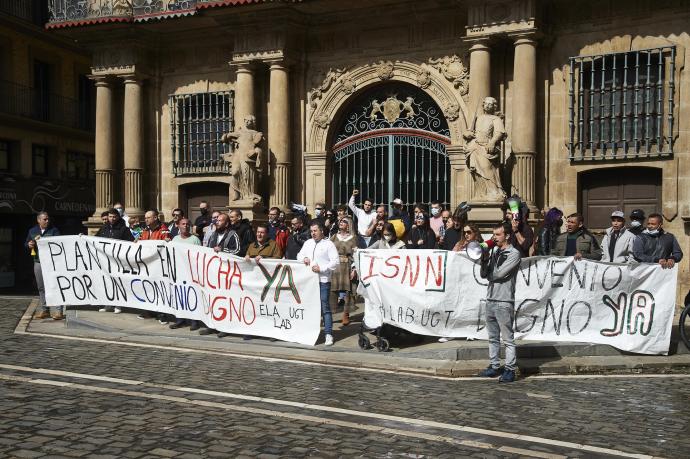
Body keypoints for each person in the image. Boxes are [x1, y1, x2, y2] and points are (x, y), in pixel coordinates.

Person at [478, 222, 521, 383]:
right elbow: (484, 275)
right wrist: (484, 259)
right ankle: (494, 366)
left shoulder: (514, 254)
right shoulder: (495, 251)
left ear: (507, 236)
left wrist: (489, 271)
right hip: (490, 299)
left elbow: (499, 274)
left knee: (508, 339)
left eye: (497, 235)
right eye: (493, 234)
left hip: (504, 300)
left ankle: (510, 369)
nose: (494, 238)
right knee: (493, 337)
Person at [297, 222, 339, 346]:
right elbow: (299, 255)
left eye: (315, 231)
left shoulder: (329, 244)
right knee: (310, 306)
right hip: (309, 281)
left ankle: (328, 334)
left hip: (323, 280)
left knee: (325, 306)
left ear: (321, 231)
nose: (313, 233)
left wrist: (321, 268)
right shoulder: (308, 243)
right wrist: (303, 259)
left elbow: (335, 262)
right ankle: (310, 332)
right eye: (311, 231)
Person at [96, 208, 134, 314]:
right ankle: (107, 304)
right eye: (110, 216)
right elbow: (95, 240)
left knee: (118, 282)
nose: (112, 219)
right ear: (107, 217)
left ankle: (118, 305)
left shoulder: (124, 229)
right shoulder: (103, 228)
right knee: (107, 282)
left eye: (114, 216)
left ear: (118, 217)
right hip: (105, 261)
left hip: (118, 261)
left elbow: (130, 243)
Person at [26, 212, 61, 320]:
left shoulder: (54, 230)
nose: (47, 221)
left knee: (55, 286)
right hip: (38, 262)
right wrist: (29, 244)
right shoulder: (32, 231)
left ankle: (58, 311)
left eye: (48, 219)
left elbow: (59, 243)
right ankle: (45, 310)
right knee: (41, 287)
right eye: (45, 219)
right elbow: (26, 242)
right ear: (38, 220)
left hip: (52, 263)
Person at [168, 218, 201, 330]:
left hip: (191, 272)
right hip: (178, 272)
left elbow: (200, 256)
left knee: (192, 296)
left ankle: (194, 321)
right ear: (178, 226)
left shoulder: (195, 239)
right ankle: (180, 319)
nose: (185, 226)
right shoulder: (175, 239)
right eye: (183, 224)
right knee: (179, 295)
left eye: (187, 224)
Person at [330, 217, 358, 327]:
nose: (341, 223)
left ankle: (346, 315)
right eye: (340, 221)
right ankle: (331, 313)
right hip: (335, 266)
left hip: (347, 265)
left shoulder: (353, 238)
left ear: (349, 225)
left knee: (348, 291)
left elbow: (355, 255)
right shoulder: (333, 237)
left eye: (344, 222)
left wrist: (354, 269)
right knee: (332, 291)